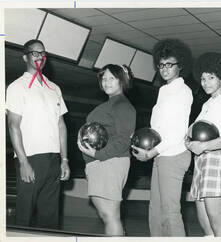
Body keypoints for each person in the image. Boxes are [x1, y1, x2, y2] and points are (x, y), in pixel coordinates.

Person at [6, 39, 70, 229]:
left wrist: (64, 160)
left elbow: (61, 126)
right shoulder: (17, 87)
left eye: (42, 53)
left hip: (53, 159)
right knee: (24, 217)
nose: (40, 57)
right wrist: (24, 162)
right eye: (35, 53)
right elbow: (13, 126)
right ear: (25, 57)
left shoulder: (54, 88)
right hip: (31, 159)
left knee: (50, 218)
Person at [132, 38, 193, 236]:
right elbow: (157, 129)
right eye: (161, 65)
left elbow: (177, 133)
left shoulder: (183, 91)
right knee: (155, 211)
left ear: (180, 66)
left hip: (173, 155)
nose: (164, 69)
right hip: (161, 155)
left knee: (170, 212)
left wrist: (152, 152)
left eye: (169, 65)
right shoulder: (163, 91)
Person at [77, 64, 136, 236]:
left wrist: (97, 154)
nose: (106, 82)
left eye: (112, 78)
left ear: (121, 81)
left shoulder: (123, 105)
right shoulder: (111, 103)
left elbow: (124, 139)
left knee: (110, 215)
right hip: (101, 163)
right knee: (108, 215)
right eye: (104, 78)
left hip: (110, 161)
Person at [185, 52, 221, 236]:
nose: (205, 82)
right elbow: (194, 132)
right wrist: (189, 141)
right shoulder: (207, 104)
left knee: (216, 222)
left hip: (216, 160)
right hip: (201, 162)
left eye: (211, 77)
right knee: (205, 224)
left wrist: (203, 146)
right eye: (203, 78)